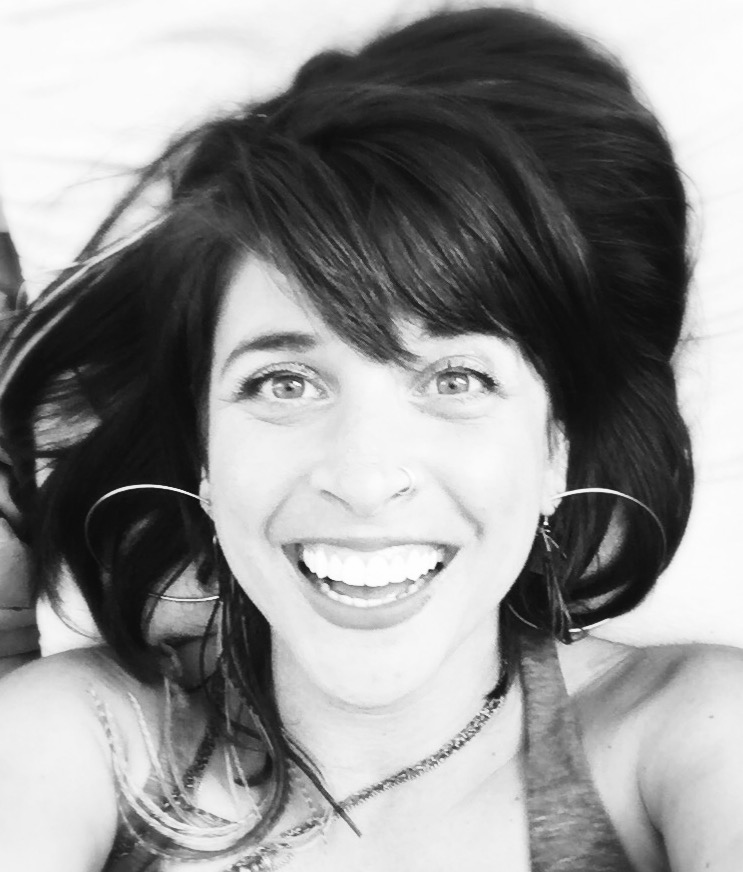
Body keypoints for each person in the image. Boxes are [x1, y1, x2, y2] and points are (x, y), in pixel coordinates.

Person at [0, 6, 741, 870]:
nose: (361, 476)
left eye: (456, 380)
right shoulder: (80, 742)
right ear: (202, 453)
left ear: (555, 452)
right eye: (284, 383)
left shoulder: (687, 737)